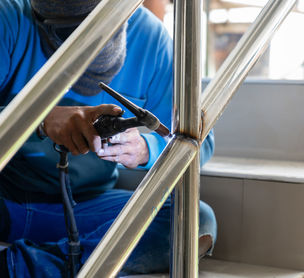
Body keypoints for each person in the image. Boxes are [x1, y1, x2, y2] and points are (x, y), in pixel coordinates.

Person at [0, 0, 217, 277]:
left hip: (86, 206)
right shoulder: (8, 19)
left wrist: (145, 150)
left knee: (192, 221)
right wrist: (39, 119)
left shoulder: (151, 40)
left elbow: (201, 141)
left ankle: (19, 267)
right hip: (5, 197)